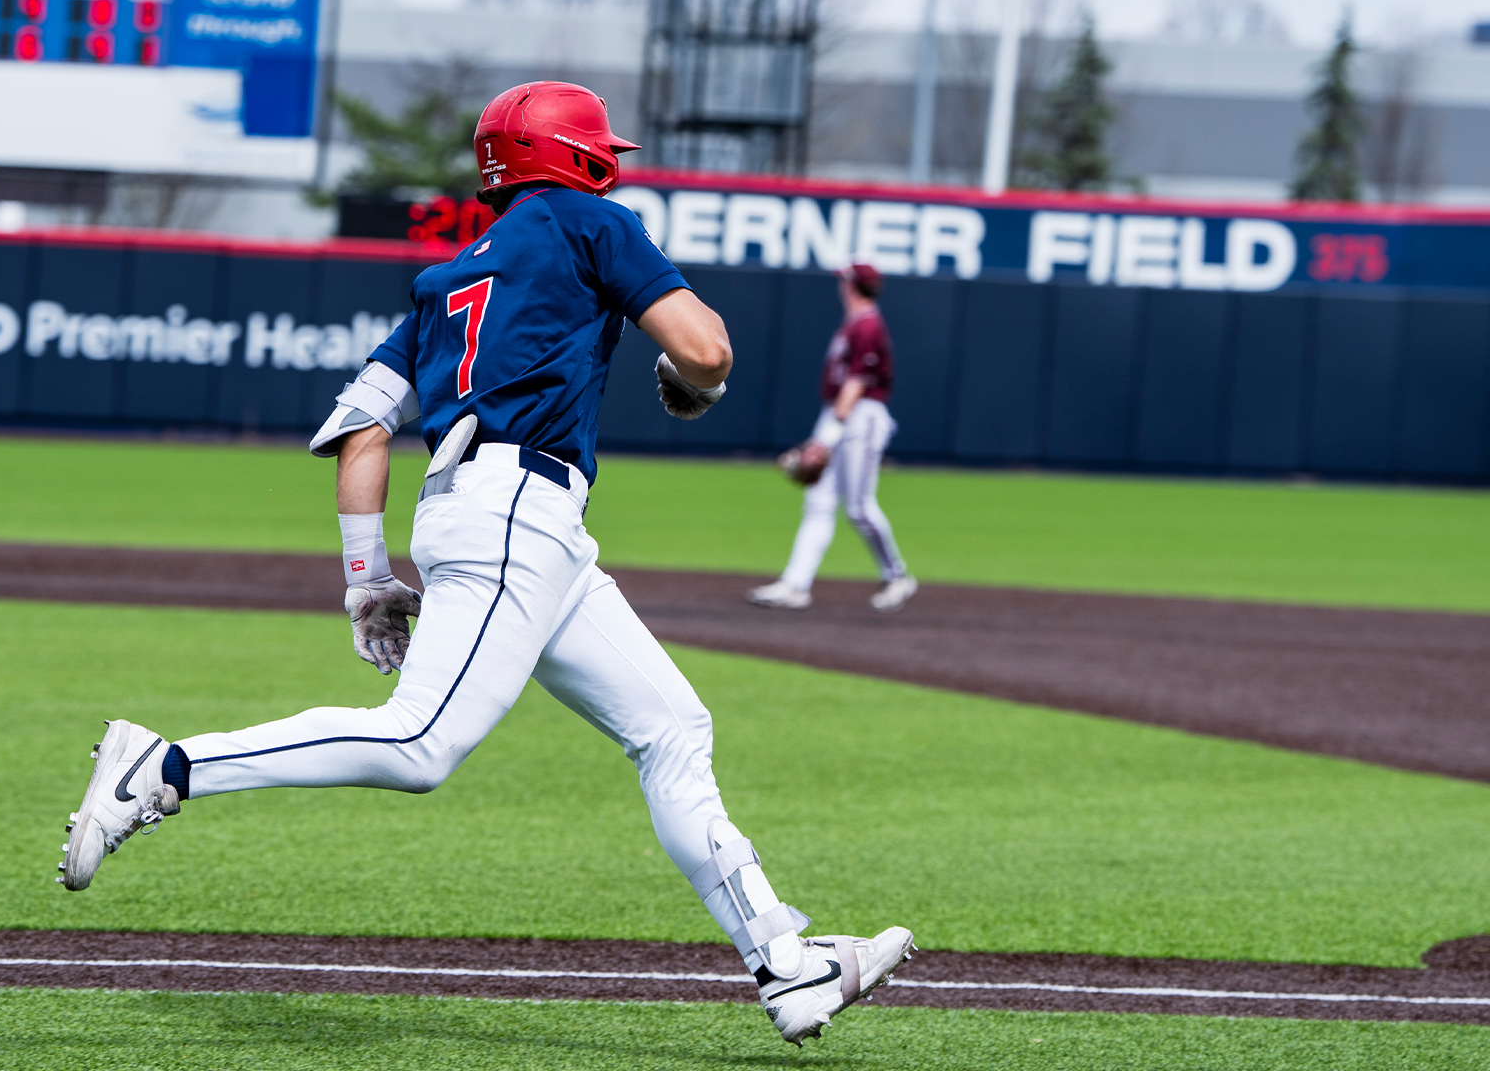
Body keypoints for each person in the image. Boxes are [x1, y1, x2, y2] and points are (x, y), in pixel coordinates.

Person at [56, 81, 914, 1047]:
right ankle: (166, 764)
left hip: (486, 516)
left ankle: (786, 967)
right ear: (585, 159)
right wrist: (691, 384)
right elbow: (707, 349)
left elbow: (361, 434)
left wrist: (365, 576)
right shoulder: (593, 222)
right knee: (420, 744)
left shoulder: (443, 281)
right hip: (518, 513)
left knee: (674, 728)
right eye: (604, 152)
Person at [749, 264, 916, 613]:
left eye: (845, 280)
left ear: (852, 286)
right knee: (819, 503)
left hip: (859, 416)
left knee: (859, 507)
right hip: (840, 414)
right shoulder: (857, 322)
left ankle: (897, 575)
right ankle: (795, 585)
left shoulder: (868, 324)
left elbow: (857, 384)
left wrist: (825, 438)